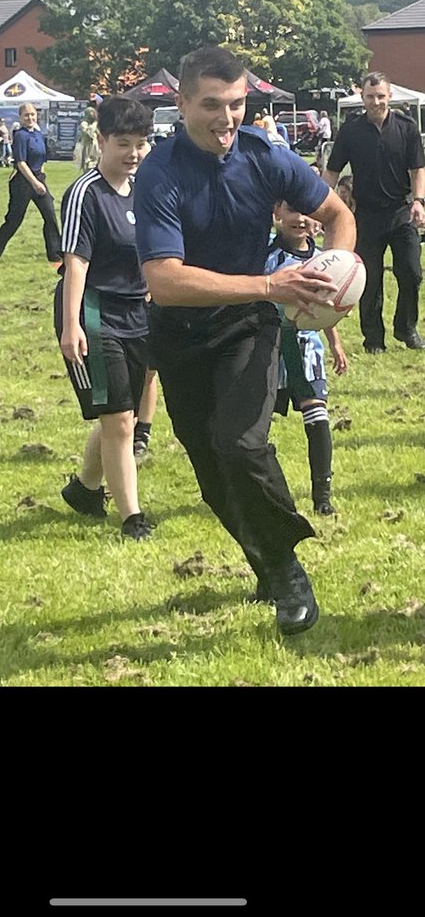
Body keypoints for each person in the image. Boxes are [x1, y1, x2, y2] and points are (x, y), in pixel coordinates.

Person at [133, 45, 356, 635]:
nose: (226, 118)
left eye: (236, 104)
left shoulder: (266, 155)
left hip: (248, 326)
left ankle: (286, 570)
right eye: (211, 105)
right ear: (181, 105)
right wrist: (268, 281)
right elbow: (165, 280)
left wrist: (340, 272)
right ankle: (264, 561)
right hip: (179, 336)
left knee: (239, 444)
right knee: (211, 475)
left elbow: (337, 212)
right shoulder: (159, 173)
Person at [55, 95, 154, 541]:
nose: (133, 153)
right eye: (123, 143)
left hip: (139, 311)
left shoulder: (145, 187)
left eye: (140, 143)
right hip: (96, 312)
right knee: (117, 419)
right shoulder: (84, 193)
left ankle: (85, 488)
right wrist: (71, 324)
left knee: (124, 415)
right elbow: (75, 261)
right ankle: (132, 517)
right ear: (101, 140)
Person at [323, 71, 425, 353]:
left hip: (401, 211)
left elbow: (418, 169)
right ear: (362, 98)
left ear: (389, 96)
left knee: (412, 273)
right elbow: (331, 173)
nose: (376, 101)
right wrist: (317, 206)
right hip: (366, 215)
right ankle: (373, 340)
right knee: (369, 280)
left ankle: (406, 329)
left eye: (381, 96)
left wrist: (419, 201)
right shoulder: (351, 130)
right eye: (370, 97)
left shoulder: (406, 127)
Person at [265, 201, 348, 517]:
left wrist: (336, 343)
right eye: (291, 212)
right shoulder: (266, 256)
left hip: (307, 350)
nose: (299, 219)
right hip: (269, 349)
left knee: (317, 416)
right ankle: (268, 496)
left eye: (306, 213)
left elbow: (327, 308)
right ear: (277, 215)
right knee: (258, 426)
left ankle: (322, 496)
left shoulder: (324, 261)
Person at [0, 103, 62, 263]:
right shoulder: (20, 135)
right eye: (26, 115)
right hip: (23, 182)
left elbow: (42, 158)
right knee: (14, 220)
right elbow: (21, 162)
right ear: (20, 117)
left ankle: (55, 254)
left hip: (39, 178)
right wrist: (34, 183)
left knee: (50, 216)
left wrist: (41, 178)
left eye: (32, 114)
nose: (30, 118)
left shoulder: (39, 135)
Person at [78, 107, 101, 172]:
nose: (92, 115)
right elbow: (88, 134)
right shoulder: (84, 124)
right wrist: (94, 124)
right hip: (88, 146)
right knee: (88, 164)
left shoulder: (95, 124)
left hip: (95, 147)